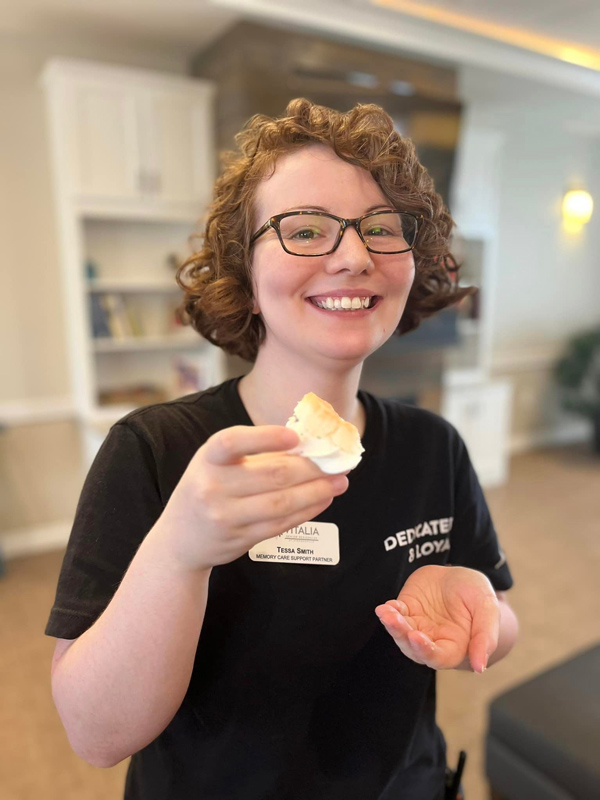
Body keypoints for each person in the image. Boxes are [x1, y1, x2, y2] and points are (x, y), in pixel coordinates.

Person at [46, 98, 518, 800]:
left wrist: (479, 605)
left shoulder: (432, 446)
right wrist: (180, 552)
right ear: (246, 274)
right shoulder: (154, 450)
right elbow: (96, 735)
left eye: (383, 229)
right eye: (304, 230)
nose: (354, 256)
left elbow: (498, 622)